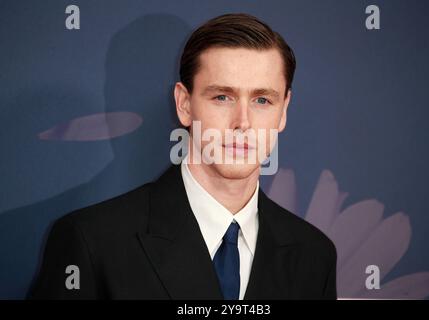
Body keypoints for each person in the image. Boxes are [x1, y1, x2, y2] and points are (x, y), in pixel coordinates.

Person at [30, 13, 337, 300]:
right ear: (184, 104)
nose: (242, 122)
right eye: (222, 97)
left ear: (283, 111)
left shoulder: (314, 254)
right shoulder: (91, 241)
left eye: (261, 100)